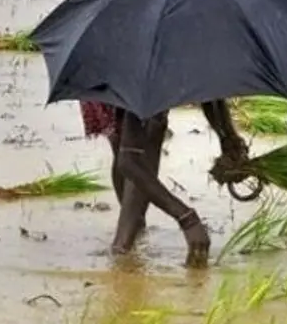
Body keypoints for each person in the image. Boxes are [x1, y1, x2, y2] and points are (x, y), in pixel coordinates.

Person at [80, 99, 247, 268]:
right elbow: (129, 161)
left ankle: (130, 235)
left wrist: (229, 139)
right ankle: (122, 251)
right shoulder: (145, 88)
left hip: (124, 88)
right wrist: (188, 220)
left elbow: (208, 90)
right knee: (141, 138)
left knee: (127, 138)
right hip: (125, 86)